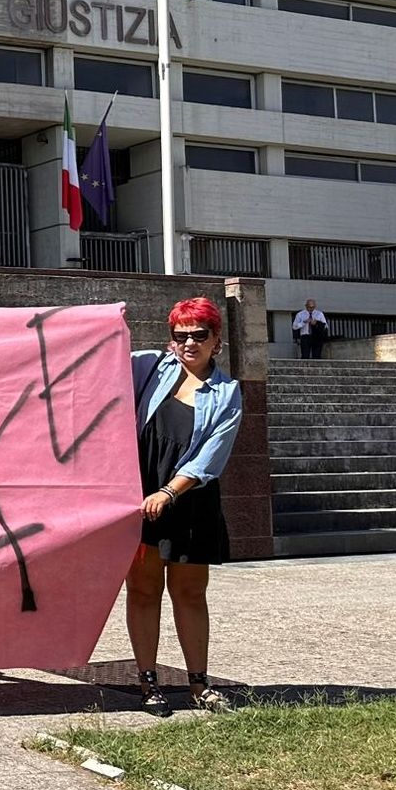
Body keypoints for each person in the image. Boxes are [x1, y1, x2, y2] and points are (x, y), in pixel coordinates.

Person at [125, 297, 244, 717]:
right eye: (181, 335)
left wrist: (170, 492)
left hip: (188, 499)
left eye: (199, 335)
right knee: (142, 591)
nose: (189, 342)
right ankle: (148, 682)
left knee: (190, 593)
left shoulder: (227, 392)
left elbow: (210, 457)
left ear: (216, 340)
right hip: (143, 497)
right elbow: (102, 356)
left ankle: (199, 683)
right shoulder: (152, 367)